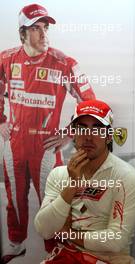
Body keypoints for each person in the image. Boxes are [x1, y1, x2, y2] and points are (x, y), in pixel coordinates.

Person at [0, 3, 95, 263]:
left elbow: (90, 102)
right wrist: (1, 121)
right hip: (14, 143)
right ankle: (15, 243)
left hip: (46, 146)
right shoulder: (6, 59)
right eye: (36, 28)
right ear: (22, 32)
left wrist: (70, 133)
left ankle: (54, 250)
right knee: (14, 198)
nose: (44, 34)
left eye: (46, 28)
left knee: (52, 202)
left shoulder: (64, 63)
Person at [34, 99, 135, 264]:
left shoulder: (125, 176)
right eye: (82, 128)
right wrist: (72, 187)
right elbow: (44, 229)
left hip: (109, 260)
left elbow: (116, 240)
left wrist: (67, 233)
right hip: (66, 256)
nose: (88, 136)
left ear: (108, 136)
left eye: (97, 129)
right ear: (73, 134)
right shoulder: (58, 174)